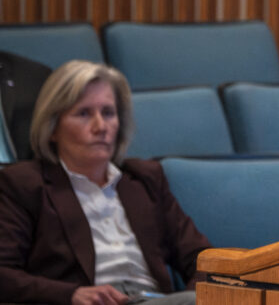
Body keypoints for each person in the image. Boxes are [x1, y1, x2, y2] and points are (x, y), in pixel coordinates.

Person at [0, 61, 210, 305]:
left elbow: (203, 260)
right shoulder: (23, 184)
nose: (101, 127)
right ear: (53, 128)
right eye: (83, 114)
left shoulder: (145, 180)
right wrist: (71, 295)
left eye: (108, 113)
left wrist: (202, 298)